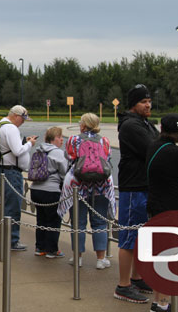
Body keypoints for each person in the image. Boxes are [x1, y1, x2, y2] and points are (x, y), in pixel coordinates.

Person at [146, 114, 178, 312]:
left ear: (161, 128)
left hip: (155, 204)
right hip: (175, 208)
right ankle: (166, 303)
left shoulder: (152, 148)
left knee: (160, 255)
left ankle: (159, 302)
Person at [114, 84, 158, 303]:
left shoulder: (145, 123)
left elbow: (159, 143)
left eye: (149, 101)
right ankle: (123, 285)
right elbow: (153, 148)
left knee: (142, 235)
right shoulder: (131, 126)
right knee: (129, 237)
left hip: (145, 186)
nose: (148, 105)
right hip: (133, 187)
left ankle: (137, 276)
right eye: (143, 101)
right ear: (134, 104)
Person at [58, 113, 116, 269]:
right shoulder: (105, 141)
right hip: (102, 186)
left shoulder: (73, 140)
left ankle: (78, 258)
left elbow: (69, 158)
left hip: (78, 185)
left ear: (83, 125)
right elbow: (107, 159)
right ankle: (100, 259)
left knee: (79, 223)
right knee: (100, 223)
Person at [0, 105, 38, 251]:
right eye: (23, 119)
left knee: (8, 206)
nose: (23, 122)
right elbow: (17, 151)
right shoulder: (11, 128)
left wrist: (23, 142)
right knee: (13, 208)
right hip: (11, 173)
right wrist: (29, 144)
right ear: (15, 115)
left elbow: (10, 148)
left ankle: (8, 239)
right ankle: (12, 241)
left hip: (3, 170)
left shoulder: (2, 124)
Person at [30, 126, 68, 258]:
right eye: (59, 137)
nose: (62, 140)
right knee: (53, 221)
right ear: (53, 139)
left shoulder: (39, 150)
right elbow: (64, 172)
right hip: (51, 190)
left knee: (41, 220)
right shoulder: (57, 152)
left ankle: (40, 247)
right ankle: (52, 250)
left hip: (36, 189)